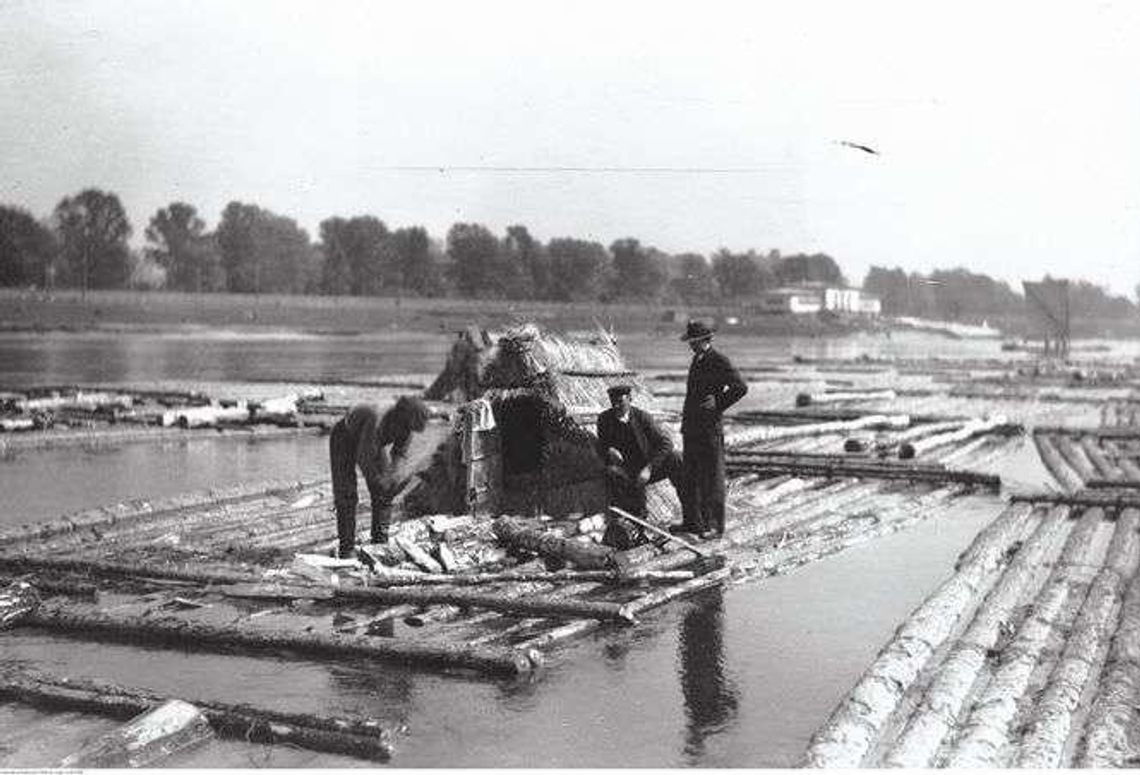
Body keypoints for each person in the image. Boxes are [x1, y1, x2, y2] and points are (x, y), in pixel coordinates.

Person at [329, 395, 430, 558]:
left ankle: (379, 543)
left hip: (374, 443)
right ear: (400, 417)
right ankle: (346, 548)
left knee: (384, 494)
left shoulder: (407, 426)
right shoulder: (377, 418)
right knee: (347, 495)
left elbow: (400, 454)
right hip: (344, 438)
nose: (407, 432)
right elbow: (364, 457)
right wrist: (378, 482)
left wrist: (393, 479)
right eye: (406, 427)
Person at [677, 319, 747, 538]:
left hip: (709, 428)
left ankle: (715, 526)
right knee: (690, 477)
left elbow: (740, 387)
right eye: (690, 341)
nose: (691, 345)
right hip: (692, 428)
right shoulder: (696, 360)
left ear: (705, 341)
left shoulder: (718, 360)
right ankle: (693, 522)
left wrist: (718, 403)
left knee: (712, 478)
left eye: (694, 341)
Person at [595, 384, 685, 525]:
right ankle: (632, 520)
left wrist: (649, 468)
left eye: (621, 402)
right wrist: (608, 452)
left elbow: (666, 443)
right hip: (626, 470)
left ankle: (691, 513)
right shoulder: (604, 420)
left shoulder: (642, 417)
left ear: (629, 399)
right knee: (612, 474)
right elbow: (601, 447)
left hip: (648, 467)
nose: (617, 406)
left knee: (676, 458)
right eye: (614, 403)